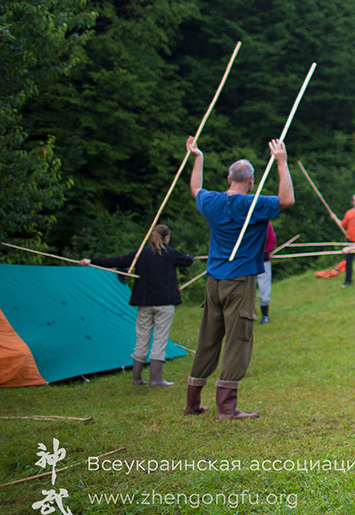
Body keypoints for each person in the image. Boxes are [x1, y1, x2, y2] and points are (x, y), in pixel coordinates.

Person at [184, 136, 294, 419]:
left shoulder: (212, 202)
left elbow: (195, 187)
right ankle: (227, 407)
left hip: (213, 281)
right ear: (252, 180)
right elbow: (287, 200)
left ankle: (193, 402)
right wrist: (281, 163)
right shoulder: (253, 205)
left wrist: (199, 157)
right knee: (238, 339)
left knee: (208, 338)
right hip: (239, 281)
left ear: (228, 178)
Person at [81, 224, 194, 387]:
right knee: (160, 339)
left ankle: (137, 379)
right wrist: (190, 257)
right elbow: (187, 261)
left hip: (145, 303)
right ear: (167, 238)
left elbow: (116, 261)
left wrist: (90, 261)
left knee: (141, 339)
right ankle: (156, 380)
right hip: (164, 303)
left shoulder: (141, 253)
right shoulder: (170, 253)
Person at [332, 194, 355, 287]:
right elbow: (343, 224)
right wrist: (335, 218)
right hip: (350, 240)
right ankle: (348, 281)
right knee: (348, 262)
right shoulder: (348, 213)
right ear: (352, 202)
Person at [257, 222, 275, 323]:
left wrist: (267, 251)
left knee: (264, 287)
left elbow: (272, 239)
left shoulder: (265, 222)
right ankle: (250, 313)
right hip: (248, 260)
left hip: (263, 260)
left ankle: (265, 315)